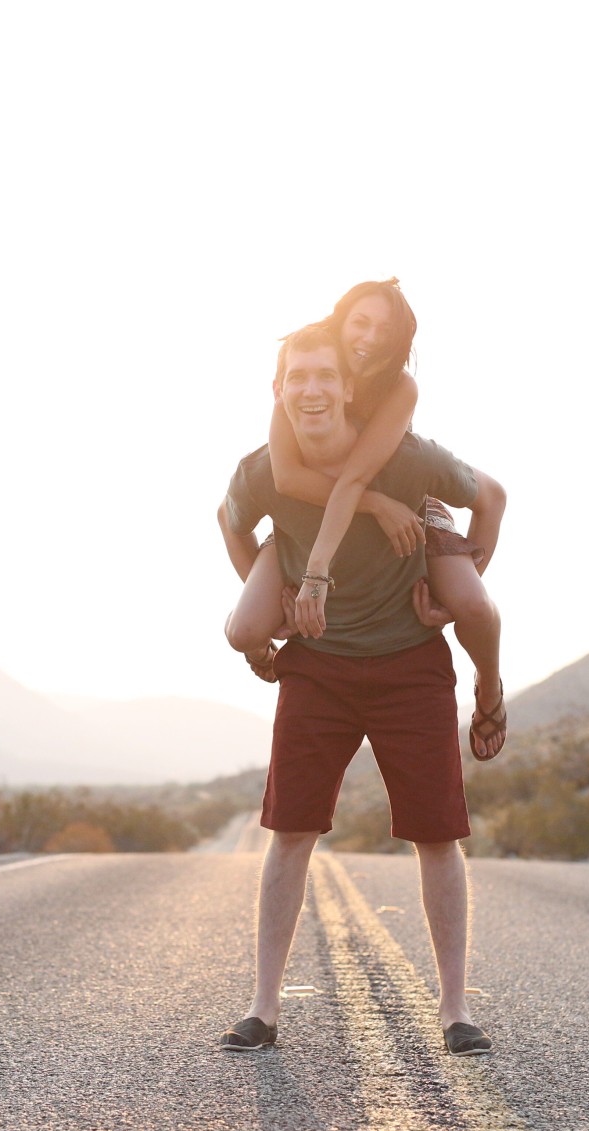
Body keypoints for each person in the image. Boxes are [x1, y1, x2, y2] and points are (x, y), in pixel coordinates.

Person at [214, 320, 507, 1057]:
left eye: (325, 376)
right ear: (278, 390)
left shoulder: (407, 460)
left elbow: (490, 494)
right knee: (289, 833)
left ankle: (454, 1007)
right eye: (296, 377)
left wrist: (462, 578)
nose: (311, 389)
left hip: (411, 663)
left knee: (436, 834)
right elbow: (228, 519)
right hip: (318, 666)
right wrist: (272, 585)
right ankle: (263, 1007)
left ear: (348, 387)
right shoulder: (259, 470)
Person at [221, 279, 509, 760]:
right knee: (244, 629)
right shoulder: (306, 367)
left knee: (474, 607)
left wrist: (450, 593)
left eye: (385, 328)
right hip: (324, 508)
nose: (371, 337)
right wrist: (372, 509)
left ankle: (489, 688)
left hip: (406, 498)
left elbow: (358, 478)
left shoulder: (399, 387)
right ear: (339, 320)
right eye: (360, 322)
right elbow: (289, 479)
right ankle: (261, 652)